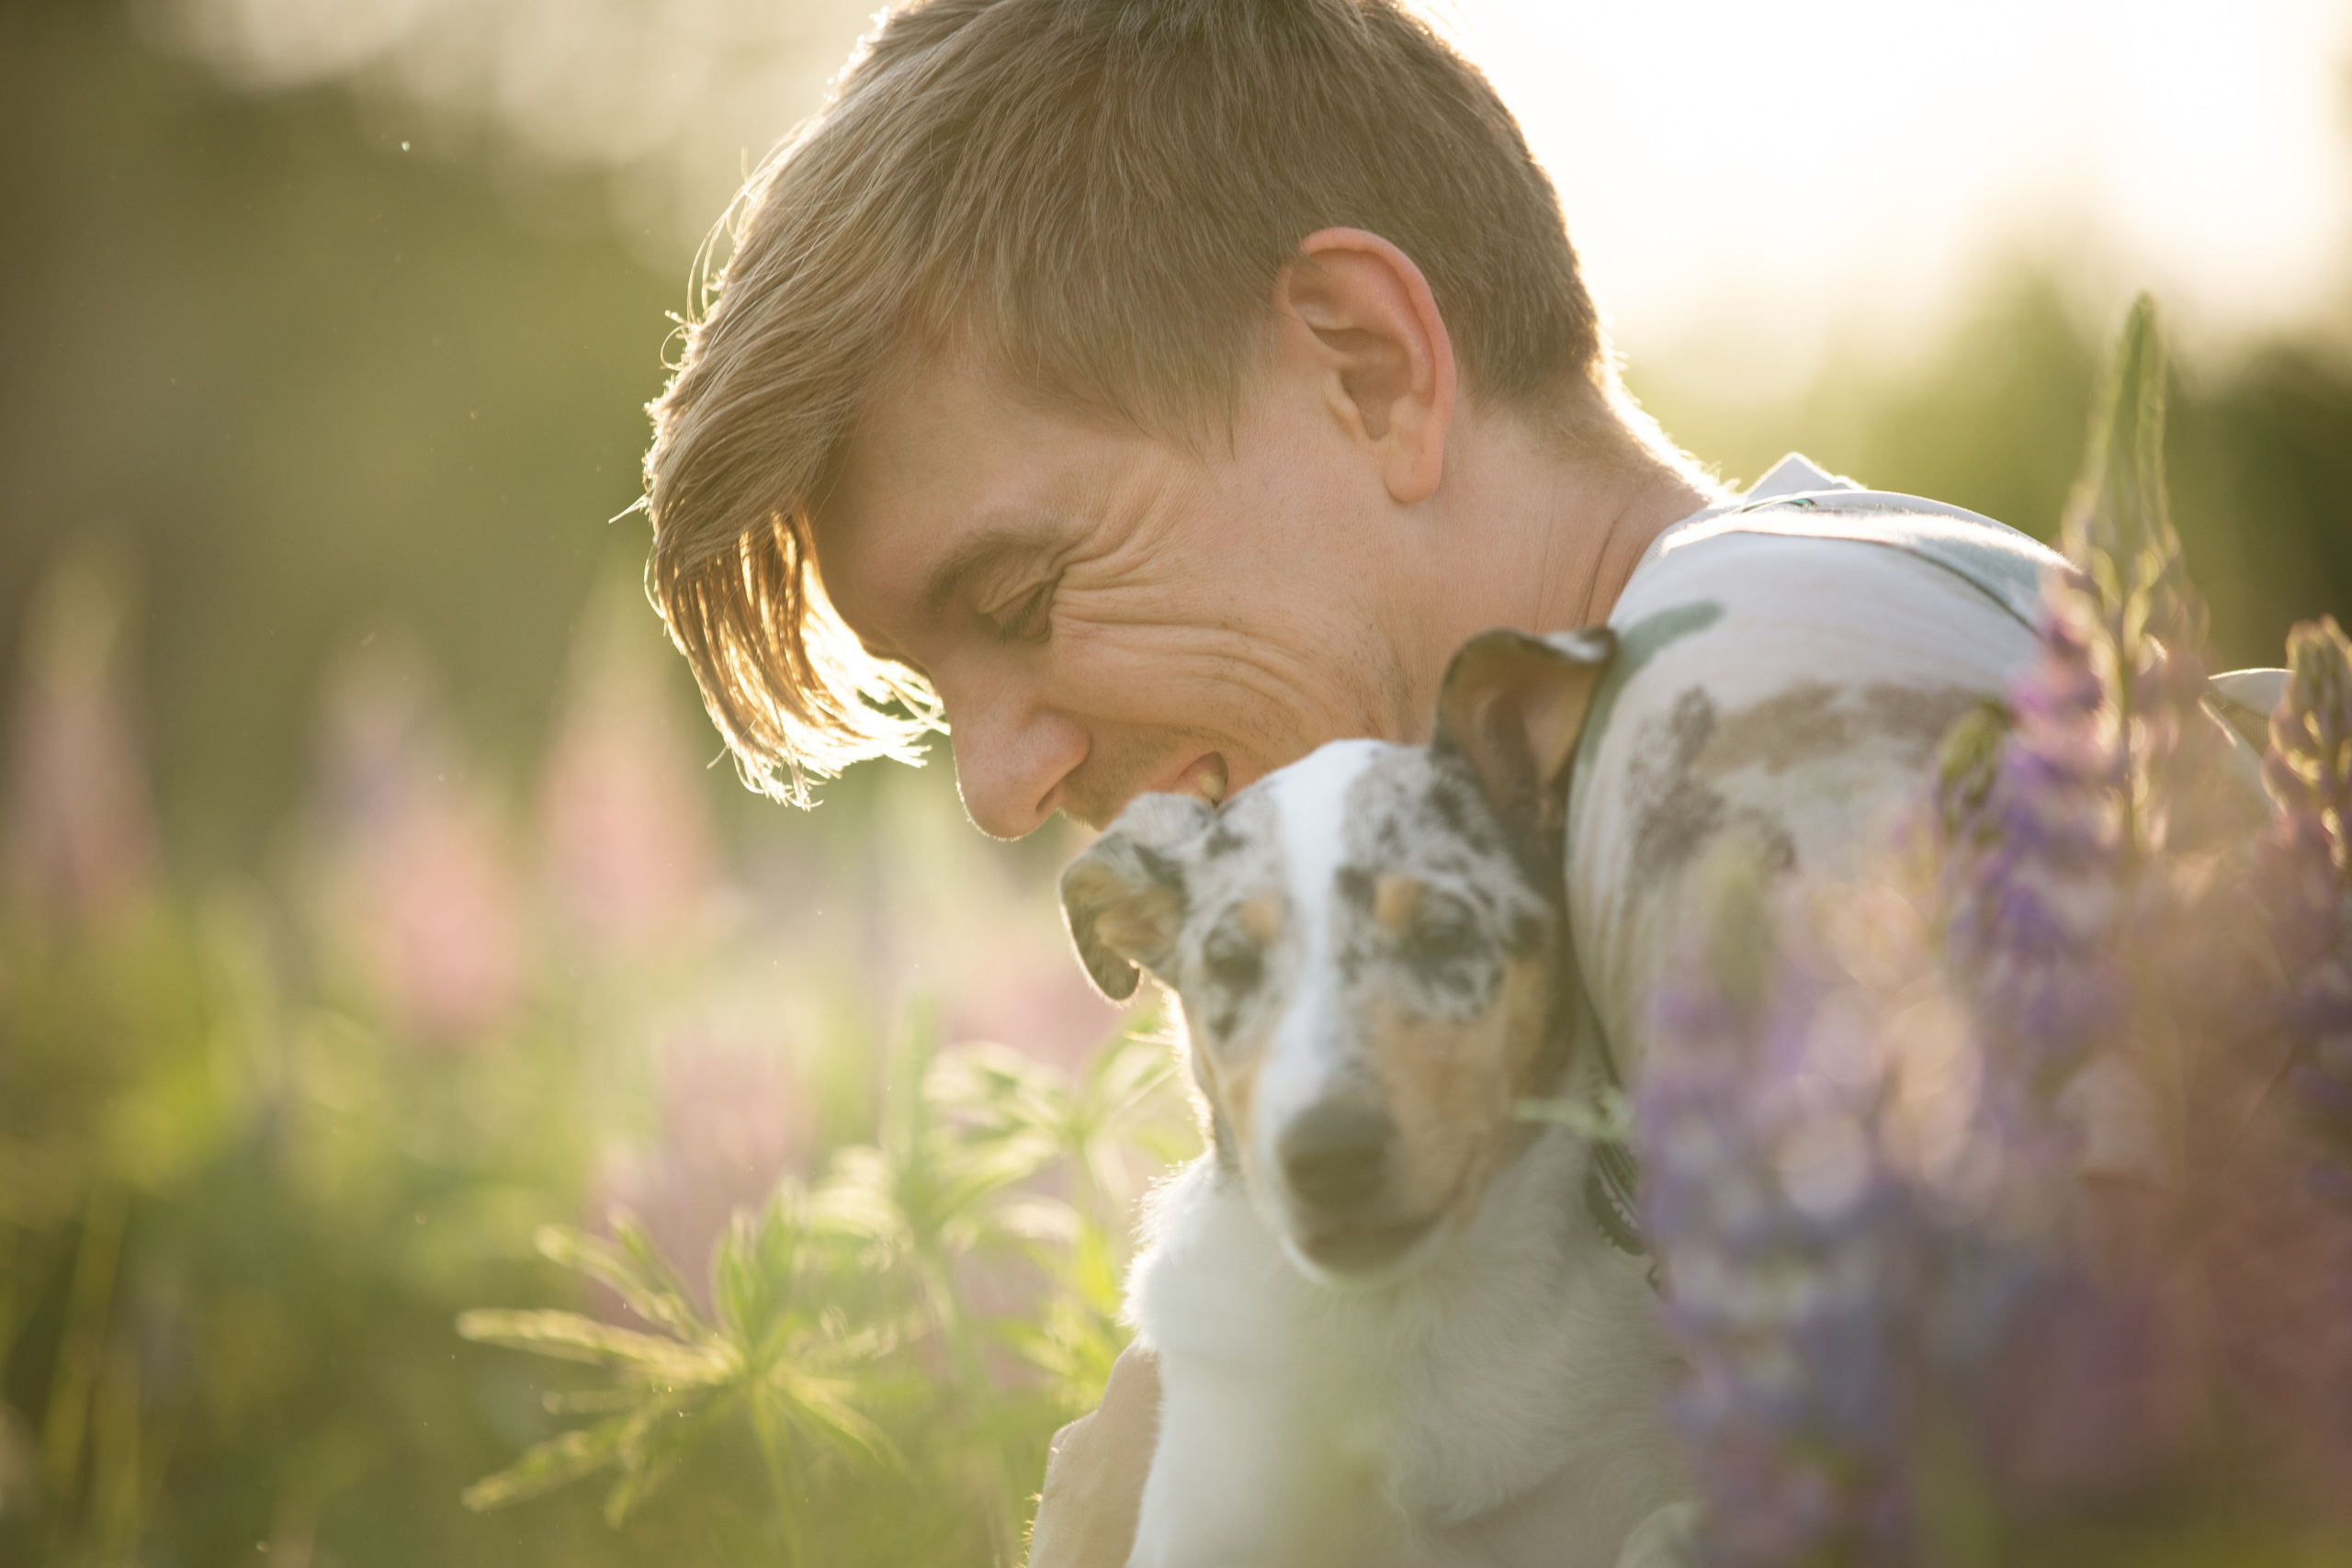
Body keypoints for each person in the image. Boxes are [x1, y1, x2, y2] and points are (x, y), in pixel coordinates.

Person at [637, 2, 2160, 1562]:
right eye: (934, 694)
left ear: (1368, 369)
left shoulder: (1734, 709)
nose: (998, 794)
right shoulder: (1774, 644)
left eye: (1024, 601)